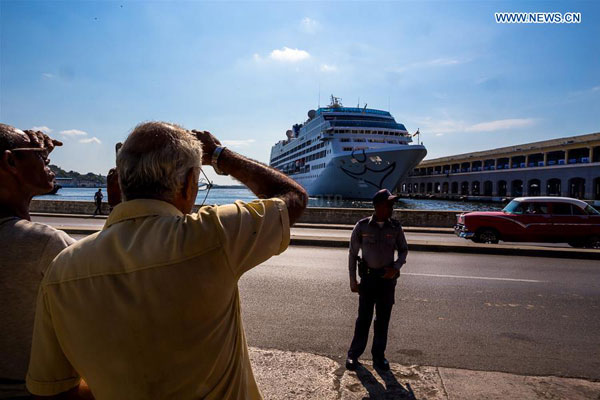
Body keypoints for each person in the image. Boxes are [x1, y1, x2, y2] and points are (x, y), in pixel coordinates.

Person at [26, 122, 308, 399]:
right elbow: (292, 197)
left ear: (121, 181)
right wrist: (220, 155)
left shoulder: (62, 270)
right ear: (187, 184)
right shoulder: (213, 235)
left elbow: (54, 389)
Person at [0, 124, 76, 399]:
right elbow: (110, 279)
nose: (49, 164)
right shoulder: (44, 243)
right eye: (42, 158)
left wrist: (32, 158)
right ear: (10, 161)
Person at [345, 188, 408, 372]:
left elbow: (404, 250)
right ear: (379, 206)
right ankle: (353, 355)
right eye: (389, 204)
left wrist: (396, 268)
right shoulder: (362, 226)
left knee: (383, 320)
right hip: (368, 279)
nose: (392, 207)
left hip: (387, 281)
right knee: (363, 319)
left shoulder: (395, 227)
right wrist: (352, 280)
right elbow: (352, 253)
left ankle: (379, 358)